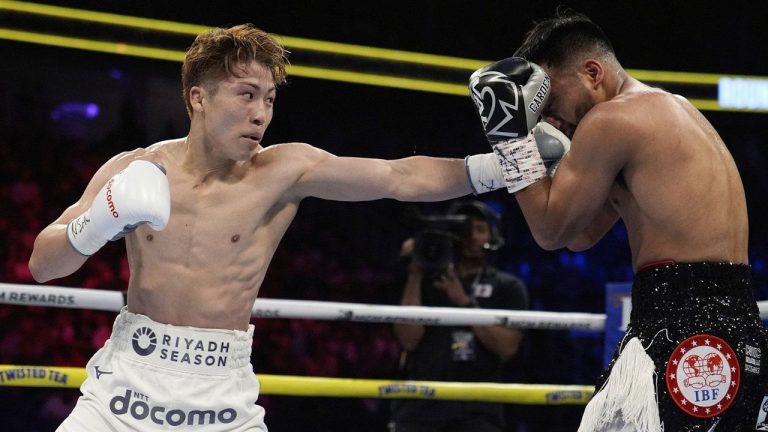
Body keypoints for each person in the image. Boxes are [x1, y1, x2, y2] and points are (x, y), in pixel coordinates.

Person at [27, 24, 503, 431]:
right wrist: (97, 220)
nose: (261, 113)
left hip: (221, 394)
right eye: (247, 94)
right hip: (124, 386)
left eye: (270, 99)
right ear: (199, 98)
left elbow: (402, 177)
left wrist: (502, 168)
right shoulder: (134, 168)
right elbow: (43, 265)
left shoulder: (284, 171)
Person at [466, 9, 768, 432]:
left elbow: (550, 232)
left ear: (592, 72)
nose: (549, 119)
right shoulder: (668, 111)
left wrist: (510, 139)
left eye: (549, 101)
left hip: (688, 330)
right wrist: (551, 170)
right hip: (715, 323)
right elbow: (579, 235)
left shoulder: (613, 119)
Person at [389, 201, 528, 432]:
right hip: (419, 408)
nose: (471, 237)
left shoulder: (508, 287)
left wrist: (464, 302)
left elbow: (507, 348)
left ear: (493, 236)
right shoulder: (424, 280)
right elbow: (408, 340)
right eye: (463, 229)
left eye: (479, 229)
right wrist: (415, 271)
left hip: (478, 411)